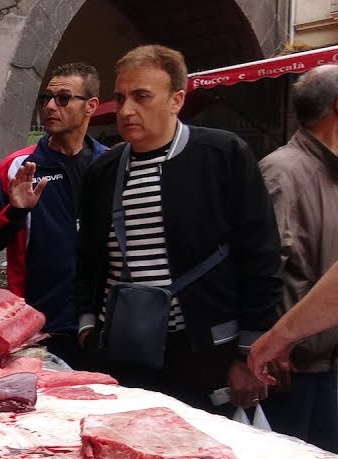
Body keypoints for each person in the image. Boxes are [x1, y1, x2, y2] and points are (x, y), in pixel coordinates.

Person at [74, 45, 281, 414]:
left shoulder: (222, 154)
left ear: (177, 100)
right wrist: (87, 326)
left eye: (141, 97)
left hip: (202, 354)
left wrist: (249, 351)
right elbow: (88, 257)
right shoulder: (103, 170)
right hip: (121, 351)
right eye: (120, 98)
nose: (126, 110)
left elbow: (260, 256)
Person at [0, 62, 108, 368]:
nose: (49, 106)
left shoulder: (108, 164)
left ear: (90, 106)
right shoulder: (19, 166)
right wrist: (16, 211)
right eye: (46, 98)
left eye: (63, 98)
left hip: (100, 324)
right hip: (38, 326)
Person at [248, 65, 338, 451]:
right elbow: (257, 271)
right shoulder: (281, 172)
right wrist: (264, 342)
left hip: (328, 367)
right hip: (291, 371)